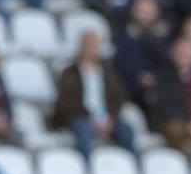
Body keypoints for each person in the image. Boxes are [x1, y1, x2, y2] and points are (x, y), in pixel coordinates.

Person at [50, 30, 135, 159]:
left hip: (107, 118)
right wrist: (91, 119)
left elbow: (119, 98)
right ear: (81, 47)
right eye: (90, 44)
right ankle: (86, 167)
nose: (93, 49)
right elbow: (65, 102)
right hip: (80, 117)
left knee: (127, 130)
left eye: (96, 45)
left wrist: (110, 118)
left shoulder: (109, 72)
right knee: (84, 130)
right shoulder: (69, 73)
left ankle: (131, 165)